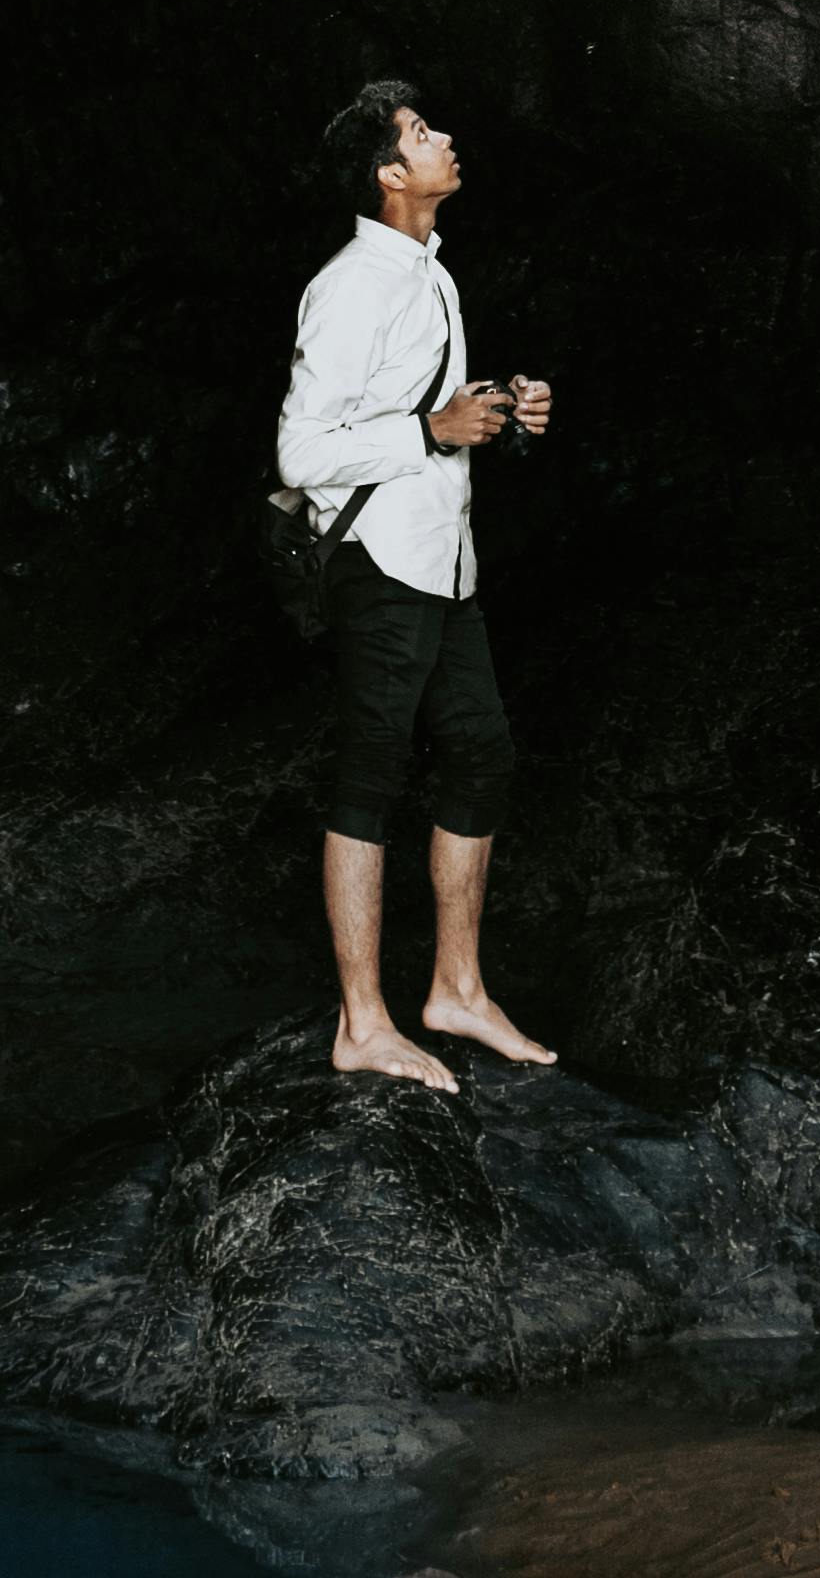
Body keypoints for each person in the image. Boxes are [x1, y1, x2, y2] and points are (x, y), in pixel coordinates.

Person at [277, 79, 557, 1084]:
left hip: (444, 559)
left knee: (481, 752)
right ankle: (363, 1022)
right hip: (381, 564)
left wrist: (497, 408)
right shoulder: (354, 281)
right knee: (370, 773)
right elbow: (301, 450)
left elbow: (419, 409)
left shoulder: (428, 272)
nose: (445, 138)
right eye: (422, 132)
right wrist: (432, 430)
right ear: (391, 175)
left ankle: (457, 991)